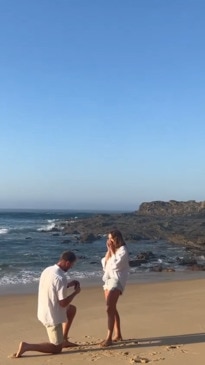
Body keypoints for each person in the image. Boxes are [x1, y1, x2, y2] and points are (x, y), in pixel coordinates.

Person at [13, 251, 81, 358]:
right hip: (51, 316)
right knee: (57, 348)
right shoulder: (61, 278)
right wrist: (75, 293)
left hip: (43, 309)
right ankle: (27, 346)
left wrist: (68, 285)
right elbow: (63, 303)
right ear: (67, 263)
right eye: (72, 265)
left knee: (71, 309)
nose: (71, 267)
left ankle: (64, 339)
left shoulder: (48, 270)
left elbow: (52, 287)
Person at [100, 229, 129, 347]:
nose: (109, 241)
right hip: (108, 279)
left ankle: (109, 338)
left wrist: (112, 251)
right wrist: (109, 251)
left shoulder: (123, 250)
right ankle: (118, 334)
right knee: (112, 308)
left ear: (116, 238)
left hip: (116, 280)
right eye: (108, 238)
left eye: (111, 238)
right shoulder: (114, 250)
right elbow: (105, 264)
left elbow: (116, 265)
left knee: (109, 308)